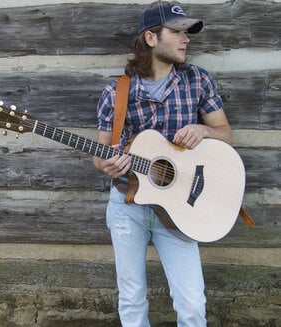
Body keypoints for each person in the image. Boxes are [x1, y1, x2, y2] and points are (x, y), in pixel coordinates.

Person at [92, 1, 232, 326]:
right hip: (129, 204)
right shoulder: (116, 92)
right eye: (178, 32)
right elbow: (100, 154)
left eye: (187, 32)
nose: (186, 39)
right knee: (131, 297)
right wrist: (106, 164)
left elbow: (225, 133)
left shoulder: (197, 80)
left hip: (181, 204)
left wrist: (203, 130)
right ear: (151, 38)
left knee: (193, 305)